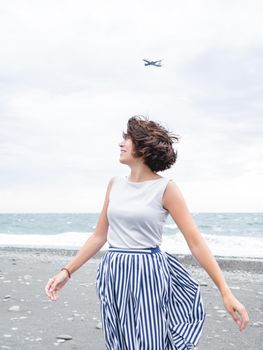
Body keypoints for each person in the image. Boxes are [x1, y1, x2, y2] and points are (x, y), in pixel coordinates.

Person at [45, 115, 249, 349]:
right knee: (119, 340)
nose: (121, 144)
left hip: (148, 273)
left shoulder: (166, 188)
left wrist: (225, 291)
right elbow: (99, 236)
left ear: (143, 147)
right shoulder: (114, 184)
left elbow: (196, 243)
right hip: (114, 271)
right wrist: (66, 272)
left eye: (128, 138)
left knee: (150, 340)